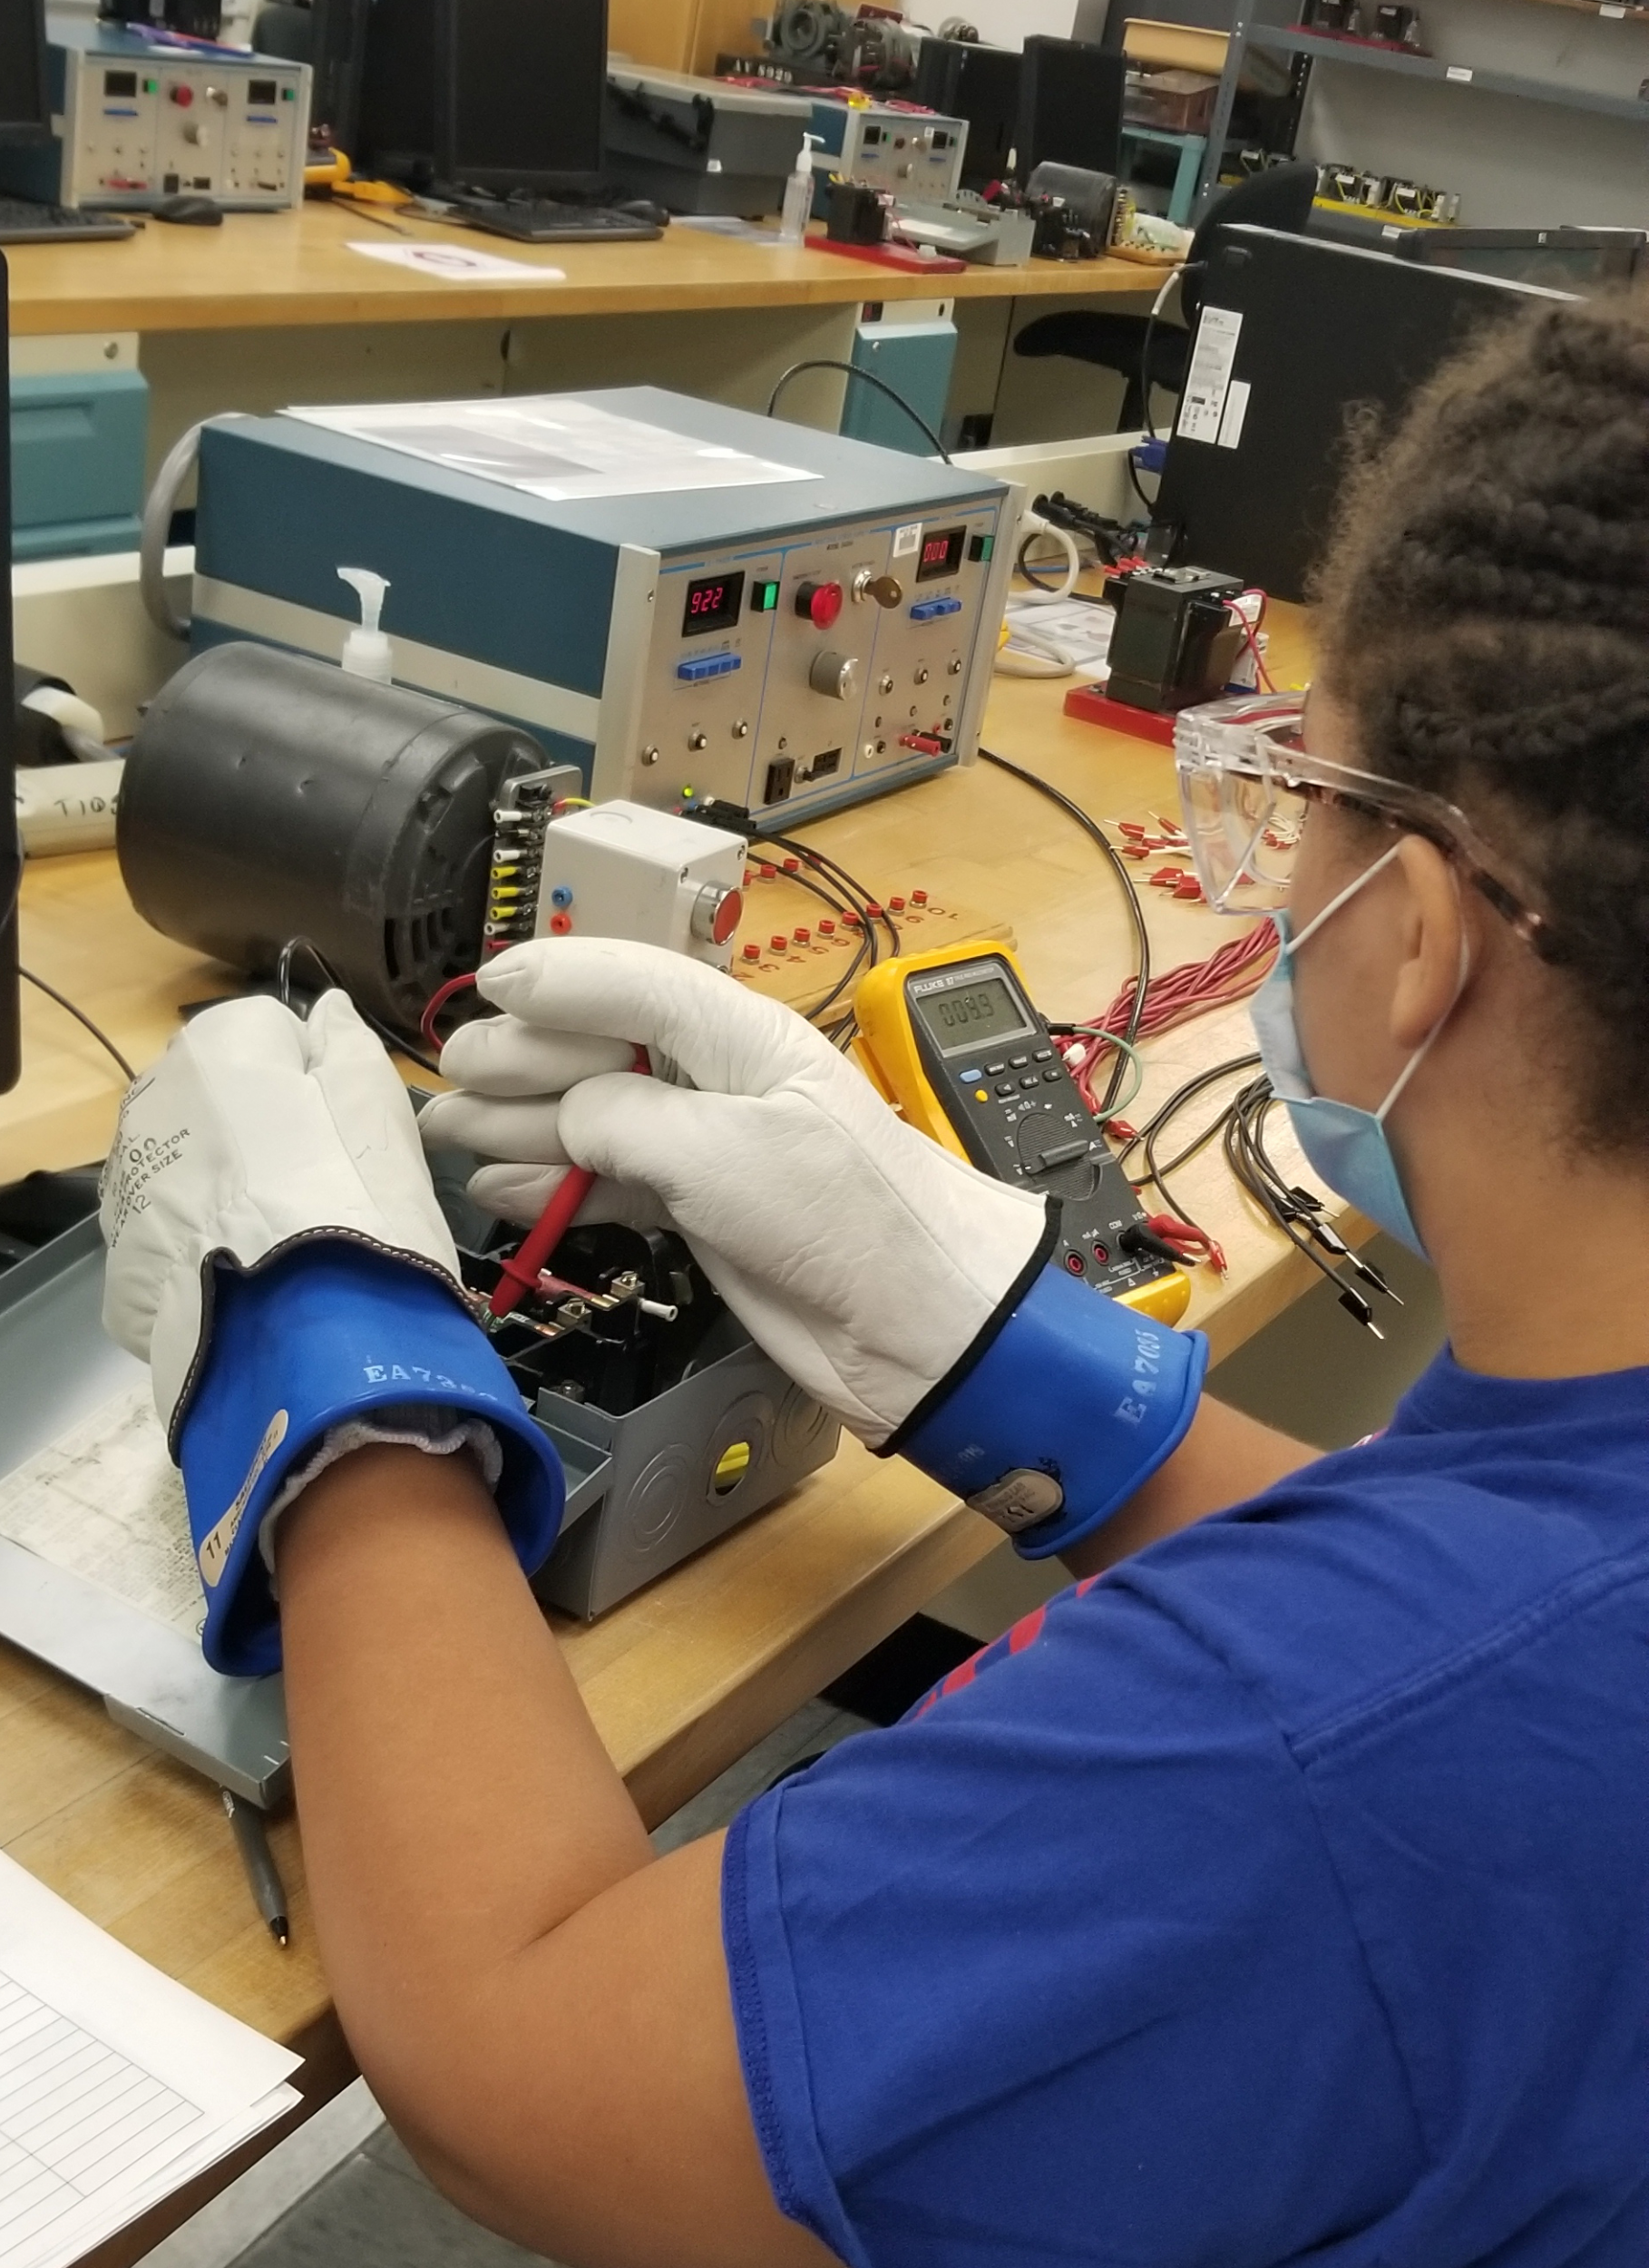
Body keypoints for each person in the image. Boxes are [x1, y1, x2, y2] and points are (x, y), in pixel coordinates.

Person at [100, 292, 1649, 2268]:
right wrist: (1029, 1363)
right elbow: (1498, 1590)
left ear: (1417, 928)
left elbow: (516, 2053)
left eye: (1298, 807)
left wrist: (323, 1346)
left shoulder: (1317, 1766)